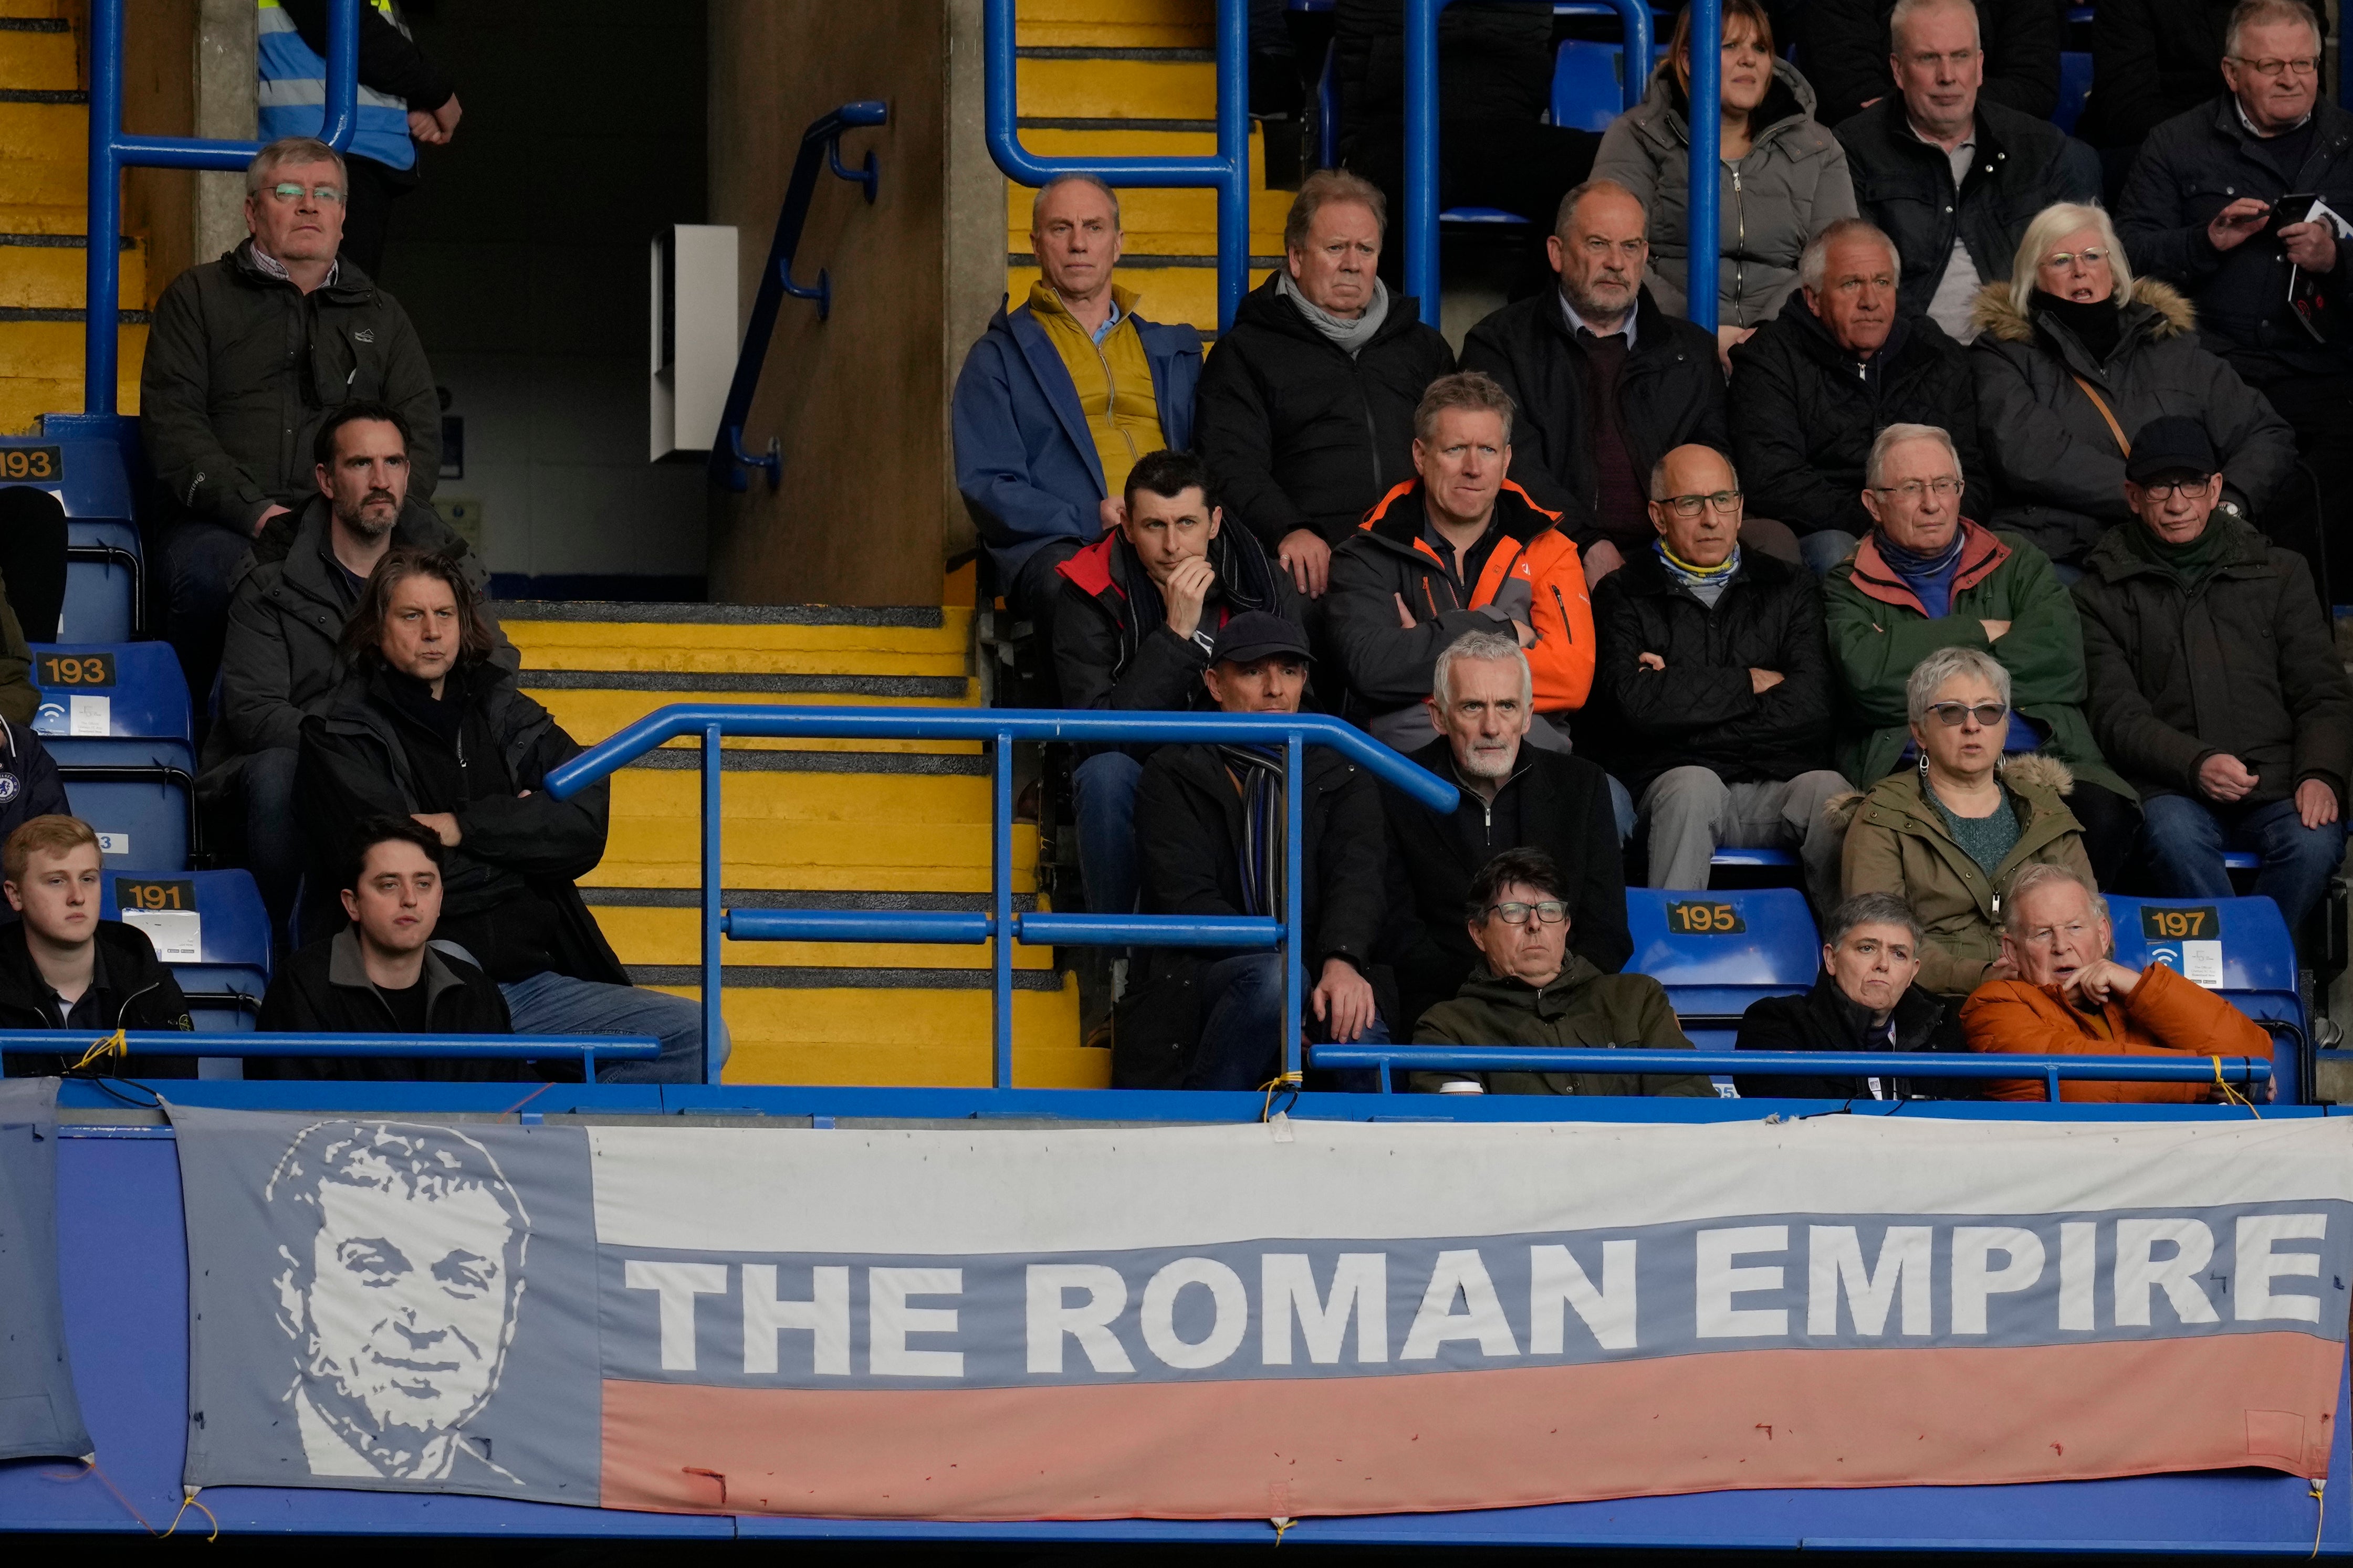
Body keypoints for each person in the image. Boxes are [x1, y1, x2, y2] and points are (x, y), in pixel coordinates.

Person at [297, 551, 723, 1085]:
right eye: (411, 616)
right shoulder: (337, 732)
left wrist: (461, 828)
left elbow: (583, 829)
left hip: (534, 983)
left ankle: (573, 1149)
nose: (431, 631)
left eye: (444, 614)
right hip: (427, 973)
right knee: (455, 989)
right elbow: (392, 871)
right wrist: (522, 844)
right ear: (376, 629)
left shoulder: (504, 711)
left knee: (696, 1035)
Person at [141, 135, 440, 703]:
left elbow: (419, 439)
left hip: (351, 525)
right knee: (228, 575)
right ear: (253, 211)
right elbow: (173, 429)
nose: (309, 205)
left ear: (343, 216)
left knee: (444, 572)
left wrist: (365, 518)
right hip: (223, 525)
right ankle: (221, 745)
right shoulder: (197, 297)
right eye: (288, 192)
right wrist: (256, 513)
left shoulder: (382, 313)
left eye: (325, 194)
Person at [205, 401, 499, 952]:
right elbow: (256, 713)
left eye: (393, 463)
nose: (381, 480)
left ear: (409, 473)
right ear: (326, 479)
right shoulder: (270, 582)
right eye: (361, 464)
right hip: (307, 764)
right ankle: (288, 957)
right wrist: (362, 759)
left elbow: (496, 668)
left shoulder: (444, 573)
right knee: (278, 770)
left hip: (413, 758)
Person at [2073, 416, 2352, 932]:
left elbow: (2321, 693)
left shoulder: (2280, 571)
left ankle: (2242, 979)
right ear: (2132, 496)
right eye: (2159, 487)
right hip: (2171, 788)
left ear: (2215, 488)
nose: (2176, 503)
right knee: (2171, 835)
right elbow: (2114, 713)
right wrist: (2194, 762)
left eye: (2191, 484)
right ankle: (2238, 989)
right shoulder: (2099, 590)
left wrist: (2320, 773)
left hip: (2278, 781)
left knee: (2314, 839)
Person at [1826, 423, 2141, 878]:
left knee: (2103, 815)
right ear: (1873, 503)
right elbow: (1866, 682)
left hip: (2044, 763)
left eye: (1943, 486)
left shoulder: (2017, 559)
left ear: (1960, 490)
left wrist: (1914, 664)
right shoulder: (1848, 580)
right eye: (1911, 488)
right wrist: (1979, 630)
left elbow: (2061, 662)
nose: (1932, 503)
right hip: (1916, 769)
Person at [2117, 0, 2353, 601]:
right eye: (2271, 65)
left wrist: (2337, 260)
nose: (2291, 78)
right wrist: (2204, 241)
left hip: (2322, 369)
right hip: (2210, 368)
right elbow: (2124, 259)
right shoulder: (2174, 144)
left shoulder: (2347, 145)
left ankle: (2301, 633)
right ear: (2230, 73)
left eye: (2303, 64)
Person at [1116, 613, 1389, 1091]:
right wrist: (1290, 982)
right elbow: (1186, 898)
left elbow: (1357, 877)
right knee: (1271, 983)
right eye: (1251, 671)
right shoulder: (1172, 769)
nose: (1274, 690)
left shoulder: (1341, 765)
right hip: (1206, 975)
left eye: (1288, 671)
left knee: (1356, 1024)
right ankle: (1205, 1133)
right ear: (1215, 685)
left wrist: (1342, 962)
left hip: (1313, 966)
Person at [1969, 202, 2297, 571]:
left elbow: (2266, 432)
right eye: (2060, 260)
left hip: (2182, 550)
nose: (2080, 271)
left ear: (2112, 269)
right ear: (2032, 276)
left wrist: (2226, 503)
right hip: (2063, 550)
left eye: (2092, 256)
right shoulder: (2003, 352)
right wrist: (2157, 499)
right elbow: (2030, 456)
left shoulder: (2168, 343)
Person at [1592, 444, 1850, 913]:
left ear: (1740, 507)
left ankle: (1850, 963)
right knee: (1694, 785)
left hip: (1774, 788)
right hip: (1672, 796)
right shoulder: (1623, 592)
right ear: (1657, 516)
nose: (1710, 518)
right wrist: (1749, 681)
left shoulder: (1789, 587)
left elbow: (1811, 708)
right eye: (1689, 503)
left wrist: (1680, 694)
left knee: (1830, 793)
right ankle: (1669, 972)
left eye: (1722, 500)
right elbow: (1632, 707)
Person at [1052, 449, 1300, 922]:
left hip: (1236, 763)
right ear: (1126, 525)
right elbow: (1094, 734)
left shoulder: (1262, 579)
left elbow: (1298, 696)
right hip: (1141, 767)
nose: (1172, 546)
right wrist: (1175, 636)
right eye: (1153, 527)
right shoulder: (1089, 586)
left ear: (1214, 522)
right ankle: (1121, 954)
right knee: (1103, 777)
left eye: (1186, 523)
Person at [953, 174, 1203, 635]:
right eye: (1060, 228)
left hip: (1177, 532)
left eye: (1093, 227)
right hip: (1068, 543)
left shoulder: (1171, 351)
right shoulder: (998, 358)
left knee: (1269, 584)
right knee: (1078, 593)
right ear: (1035, 243)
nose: (1078, 244)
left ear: (1118, 243)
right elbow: (989, 486)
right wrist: (1089, 516)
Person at [1191, 171, 1456, 601]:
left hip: (1422, 550)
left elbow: (1461, 445)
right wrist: (1288, 528)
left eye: (1365, 249)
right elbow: (1229, 462)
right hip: (1312, 562)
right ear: (1295, 258)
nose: (1352, 263)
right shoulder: (1245, 351)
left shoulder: (1423, 347)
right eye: (1335, 248)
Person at [1459, 181, 1735, 587]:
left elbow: (1715, 456)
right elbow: (1510, 464)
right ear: (1556, 253)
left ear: (1644, 256)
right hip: (1551, 551)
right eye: (1597, 244)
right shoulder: (1500, 344)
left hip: (1677, 552)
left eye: (1629, 247)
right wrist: (1584, 542)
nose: (1616, 263)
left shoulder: (1690, 350)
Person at [1324, 372, 1596, 750]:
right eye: (1455, 449)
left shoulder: (1551, 549)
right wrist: (1500, 631)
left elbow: (1571, 679)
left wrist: (1420, 657)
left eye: (1487, 449)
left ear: (1506, 460)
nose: (1472, 467)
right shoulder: (1367, 553)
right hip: (1410, 774)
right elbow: (1371, 670)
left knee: (1606, 798)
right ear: (1420, 456)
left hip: (1533, 773)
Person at [1380, 632, 1630, 1036]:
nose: (1492, 727)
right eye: (1472, 706)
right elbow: (1396, 930)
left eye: (1506, 706)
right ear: (1439, 717)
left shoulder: (1581, 786)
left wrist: (1548, 994)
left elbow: (1606, 930)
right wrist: (1489, 996)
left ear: (1527, 716)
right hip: (1444, 1012)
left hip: (1563, 1012)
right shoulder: (1396, 787)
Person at [264, 1119, 528, 1482]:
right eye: (374, 1268)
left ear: (509, 1310)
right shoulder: (240, 1460)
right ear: (293, 1292)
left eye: (464, 1277)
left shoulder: (512, 1498)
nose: (424, 1322)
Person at [1594, 0, 1858, 360]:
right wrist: (1694, 332)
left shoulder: (1817, 147)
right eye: (1730, 46)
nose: (1749, 59)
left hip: (1788, 342)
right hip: (1667, 341)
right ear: (1688, 60)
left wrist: (1765, 335)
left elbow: (1838, 259)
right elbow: (1612, 252)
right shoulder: (1637, 136)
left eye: (1760, 48)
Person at [1834, 647, 2097, 1003]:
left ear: (2005, 728)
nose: (1972, 725)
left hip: (2049, 998)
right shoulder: (1883, 814)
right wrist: (1982, 976)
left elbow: (2092, 928)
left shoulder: (2047, 811)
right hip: (1931, 1004)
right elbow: (1877, 943)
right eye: (1951, 712)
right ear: (1919, 732)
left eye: (1988, 711)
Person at [1832, 0, 2096, 342]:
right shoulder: (1852, 149)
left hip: (2021, 358)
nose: (1947, 76)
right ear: (1897, 70)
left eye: (1960, 57)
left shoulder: (2041, 148)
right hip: (1904, 357)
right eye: (1928, 58)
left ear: (1980, 66)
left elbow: (2082, 282)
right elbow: (1854, 289)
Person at [1728, 219, 1980, 576]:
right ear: (1813, 298)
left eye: (1882, 282)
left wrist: (1929, 514)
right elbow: (1772, 480)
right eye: (1851, 284)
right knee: (1838, 551)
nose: (1870, 301)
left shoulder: (1937, 355)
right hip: (1827, 531)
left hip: (1932, 523)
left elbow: (1974, 471)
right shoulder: (1769, 359)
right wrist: (1885, 518)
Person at [253, 817, 577, 1083]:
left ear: (440, 900)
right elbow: (292, 1131)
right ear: (353, 904)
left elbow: (513, 1110)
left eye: (423, 884)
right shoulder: (301, 987)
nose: (410, 898)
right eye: (389, 884)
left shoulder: (476, 992)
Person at [1330, 0, 1602, 290]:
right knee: (1382, 185)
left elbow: (1525, 54)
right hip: (1400, 127)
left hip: (1506, 129)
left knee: (1604, 164)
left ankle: (1535, 317)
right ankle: (1390, 325)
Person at [1409, 848, 1714, 1097]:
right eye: (1514, 911)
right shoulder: (1447, 1029)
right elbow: (1460, 1145)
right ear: (1478, 934)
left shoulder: (1637, 999)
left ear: (1566, 926)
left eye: (1550, 910)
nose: (1535, 924)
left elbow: (1690, 1098)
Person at [1963, 862, 2269, 1101]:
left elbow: (2253, 1055)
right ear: (2012, 951)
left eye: (2075, 927)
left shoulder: (2136, 997)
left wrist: (2138, 985)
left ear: (2103, 934)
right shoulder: (1993, 1004)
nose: (2061, 945)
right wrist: (2205, 1078)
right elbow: (2071, 1081)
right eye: (2043, 933)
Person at [263, 0, 460, 278]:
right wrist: (435, 90)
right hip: (325, 149)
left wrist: (413, 99)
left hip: (340, 146)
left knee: (337, 304)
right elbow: (342, 24)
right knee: (330, 306)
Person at [0, 815, 194, 1078]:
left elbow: (175, 1103)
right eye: (57, 881)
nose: (77, 897)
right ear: (15, 895)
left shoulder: (149, 984)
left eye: (88, 879)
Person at [2077, 0, 2331, 184]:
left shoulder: (2300, 5)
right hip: (2161, 148)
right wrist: (2234, 142)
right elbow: (2129, 115)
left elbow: (2310, 95)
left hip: (2272, 140)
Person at [1733, 892, 1951, 1098]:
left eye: (1898, 954)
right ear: (1831, 959)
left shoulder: (1944, 1029)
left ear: (1913, 972)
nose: (1883, 964)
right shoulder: (1776, 1024)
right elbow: (1807, 1128)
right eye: (1867, 948)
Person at [1805, 0, 2060, 131]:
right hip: (1879, 148)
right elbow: (1850, 91)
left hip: (1997, 139)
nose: (1947, 76)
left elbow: (2034, 87)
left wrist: (1931, 106)